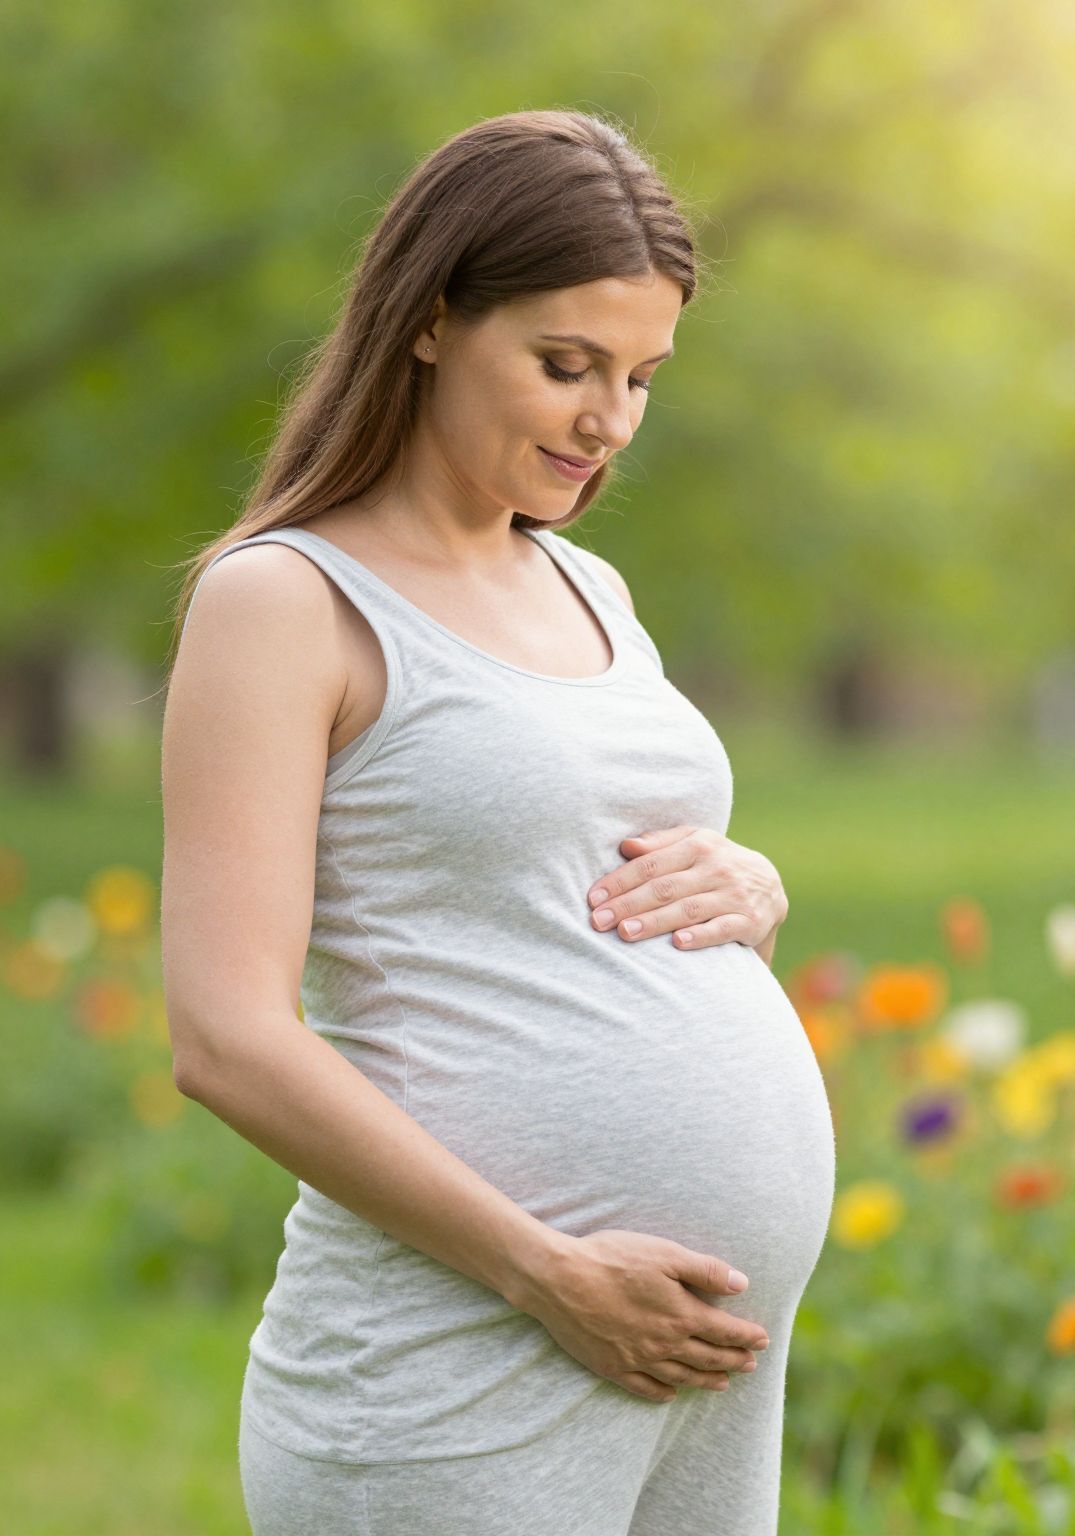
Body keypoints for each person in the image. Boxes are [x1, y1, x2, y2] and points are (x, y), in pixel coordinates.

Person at [157, 110, 837, 1534]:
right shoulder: (284, 604)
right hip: (457, 1368)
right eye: (565, 366)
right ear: (428, 320)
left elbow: (563, 850)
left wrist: (748, 884)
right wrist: (548, 1272)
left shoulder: (589, 588)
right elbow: (227, 1037)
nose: (610, 422)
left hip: (697, 1371)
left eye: (643, 376)